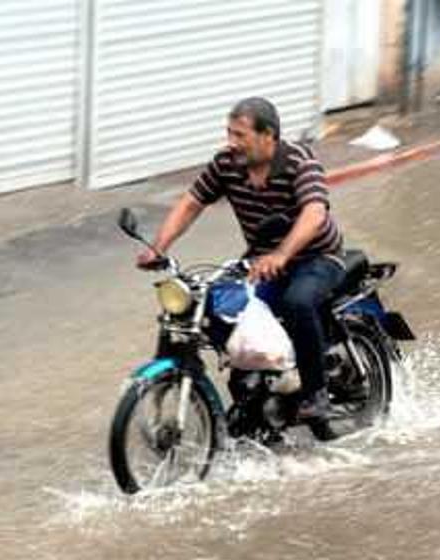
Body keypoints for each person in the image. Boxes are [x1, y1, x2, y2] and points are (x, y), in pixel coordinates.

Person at [137, 97, 345, 421]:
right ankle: (253, 389)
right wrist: (159, 246)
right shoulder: (226, 163)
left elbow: (315, 212)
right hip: (261, 261)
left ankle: (316, 393)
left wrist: (281, 253)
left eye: (240, 135)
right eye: (229, 133)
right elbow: (192, 202)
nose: (231, 143)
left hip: (317, 258)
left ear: (268, 135)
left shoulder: (299, 162)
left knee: (297, 302)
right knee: (218, 306)